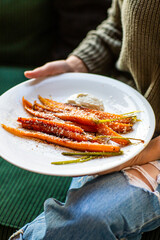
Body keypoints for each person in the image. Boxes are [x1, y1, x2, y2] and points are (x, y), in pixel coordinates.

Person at [10, 0, 160, 239]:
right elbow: (116, 26)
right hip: (126, 121)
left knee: (88, 218)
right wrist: (76, 64)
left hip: (152, 149)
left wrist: (146, 153)